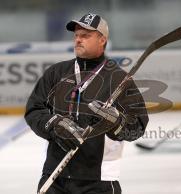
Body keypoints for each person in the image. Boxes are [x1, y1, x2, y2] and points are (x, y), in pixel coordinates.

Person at [24, 13, 149, 194]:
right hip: (55, 175)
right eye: (76, 35)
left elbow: (138, 126)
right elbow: (34, 110)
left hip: (98, 182)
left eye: (85, 35)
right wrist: (52, 124)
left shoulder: (118, 79)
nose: (78, 40)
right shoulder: (57, 72)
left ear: (102, 40)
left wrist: (116, 124)